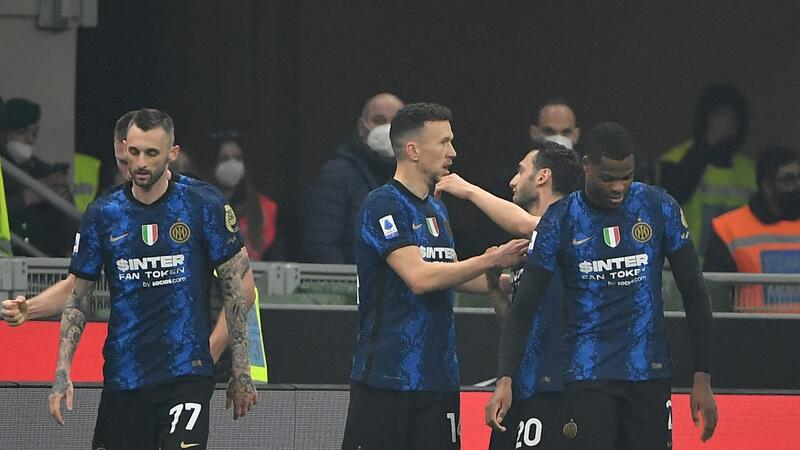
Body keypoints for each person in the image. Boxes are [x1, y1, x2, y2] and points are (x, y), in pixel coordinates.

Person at [489, 123, 718, 449]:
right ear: (586, 165)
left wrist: (702, 377)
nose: (618, 187)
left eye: (626, 176)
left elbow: (694, 291)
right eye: (608, 178)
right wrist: (505, 379)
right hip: (585, 375)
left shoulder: (659, 207)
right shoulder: (561, 219)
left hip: (648, 372)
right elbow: (524, 305)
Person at [47, 109, 258, 450]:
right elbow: (78, 297)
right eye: (134, 152)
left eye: (151, 153)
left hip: (186, 372)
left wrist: (242, 370)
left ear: (172, 153)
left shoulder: (203, 204)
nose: (141, 163)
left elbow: (238, 287)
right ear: (124, 149)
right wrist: (62, 371)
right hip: (124, 376)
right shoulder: (104, 214)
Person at [341, 103, 529, 450]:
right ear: (413, 150)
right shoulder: (383, 204)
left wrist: (505, 281)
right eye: (443, 142)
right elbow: (420, 278)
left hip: (439, 380)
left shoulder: (436, 208)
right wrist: (491, 259)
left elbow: (450, 272)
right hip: (387, 379)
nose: (452, 152)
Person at [2, 111, 256, 363]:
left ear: (166, 154)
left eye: (142, 155)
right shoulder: (109, 212)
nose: (132, 168)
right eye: (124, 160)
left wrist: (212, 350)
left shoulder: (200, 202)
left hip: (206, 355)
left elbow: (243, 287)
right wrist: (30, 308)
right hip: (140, 366)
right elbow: (75, 288)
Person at [437, 140, 582, 449]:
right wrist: (491, 281)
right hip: (521, 383)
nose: (513, 181)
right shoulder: (530, 249)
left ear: (542, 176)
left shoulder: (572, 225)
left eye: (521, 171)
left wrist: (468, 190)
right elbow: (514, 320)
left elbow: (523, 222)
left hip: (558, 387)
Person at [301, 92, 404, 264]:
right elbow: (321, 245)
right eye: (379, 121)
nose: (388, 128)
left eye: (397, 122)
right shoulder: (336, 175)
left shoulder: (416, 178)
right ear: (362, 127)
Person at [658, 84, 755, 260]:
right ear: (705, 119)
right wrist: (708, 140)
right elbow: (675, 194)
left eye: (732, 117)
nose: (726, 123)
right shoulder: (675, 160)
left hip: (733, 268)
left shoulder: (750, 171)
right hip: (685, 268)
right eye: (719, 115)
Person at [704, 146, 800, 311]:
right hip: (754, 326)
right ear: (767, 186)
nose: (797, 185)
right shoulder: (728, 228)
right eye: (788, 180)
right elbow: (715, 296)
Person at [1, 97, 76, 256]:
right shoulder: (4, 169)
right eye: (21, 133)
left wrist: (63, 197)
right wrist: (26, 198)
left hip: (43, 262)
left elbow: (68, 229)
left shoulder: (44, 171)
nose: (29, 140)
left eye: (34, 133)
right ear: (5, 134)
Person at [210, 129, 280, 261]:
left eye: (238, 158)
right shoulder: (200, 205)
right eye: (224, 158)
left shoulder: (267, 208)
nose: (232, 164)